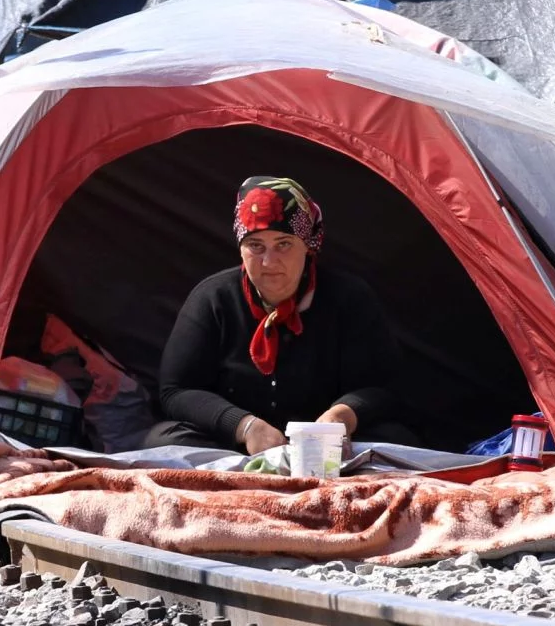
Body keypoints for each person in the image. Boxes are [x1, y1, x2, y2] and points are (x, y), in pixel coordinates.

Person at [147, 176, 407, 453]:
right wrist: (245, 427)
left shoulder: (349, 298)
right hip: (237, 447)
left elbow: (384, 386)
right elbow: (176, 391)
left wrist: (341, 417)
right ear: (240, 249)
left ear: (307, 246)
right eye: (255, 246)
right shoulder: (213, 298)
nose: (269, 262)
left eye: (283, 244)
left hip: (329, 448)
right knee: (163, 442)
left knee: (395, 440)